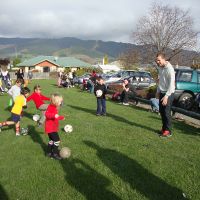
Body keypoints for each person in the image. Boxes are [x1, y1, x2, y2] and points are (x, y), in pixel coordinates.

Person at [155, 52, 175, 137]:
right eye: (156, 60)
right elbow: (161, 81)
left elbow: (172, 84)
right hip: (162, 92)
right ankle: (164, 129)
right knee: (162, 112)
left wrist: (166, 96)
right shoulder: (160, 68)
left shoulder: (170, 69)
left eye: (159, 60)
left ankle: (168, 131)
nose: (157, 62)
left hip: (169, 93)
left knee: (166, 112)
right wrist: (157, 91)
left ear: (164, 59)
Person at [45, 93, 65, 160]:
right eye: (60, 101)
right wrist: (54, 115)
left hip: (51, 128)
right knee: (57, 141)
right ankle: (55, 154)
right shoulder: (50, 107)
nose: (61, 103)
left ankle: (48, 153)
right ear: (55, 101)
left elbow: (56, 116)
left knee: (51, 141)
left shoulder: (53, 107)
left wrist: (61, 117)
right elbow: (47, 114)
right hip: (51, 128)